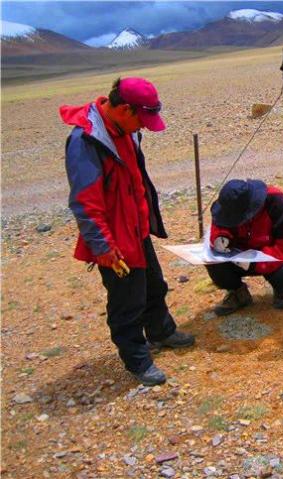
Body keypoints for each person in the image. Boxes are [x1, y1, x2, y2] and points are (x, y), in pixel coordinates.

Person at [60, 77, 194, 386]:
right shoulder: (86, 141)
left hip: (137, 229)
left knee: (154, 286)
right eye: (142, 119)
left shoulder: (126, 129)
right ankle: (137, 360)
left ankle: (161, 331)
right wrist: (102, 246)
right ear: (124, 109)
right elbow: (85, 202)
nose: (144, 126)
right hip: (115, 241)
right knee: (127, 302)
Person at [206, 179, 283, 315]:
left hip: (270, 257)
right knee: (213, 261)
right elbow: (218, 226)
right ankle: (238, 293)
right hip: (237, 258)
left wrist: (255, 263)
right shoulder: (227, 205)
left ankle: (282, 292)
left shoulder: (277, 202)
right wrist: (221, 237)